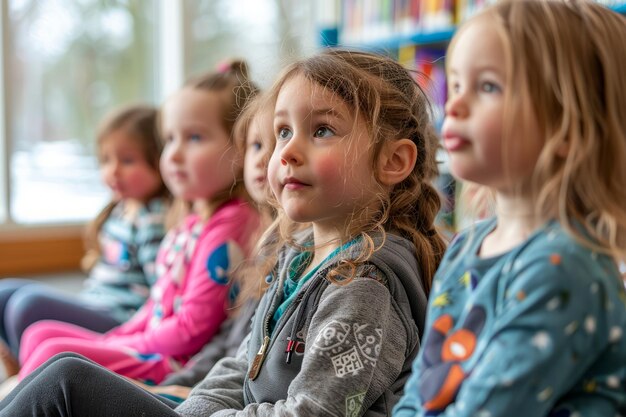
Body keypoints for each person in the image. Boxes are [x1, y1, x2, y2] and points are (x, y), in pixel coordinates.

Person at [0, 48, 446, 416]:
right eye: (283, 132)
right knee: (62, 369)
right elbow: (241, 365)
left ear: (393, 161)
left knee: (67, 381)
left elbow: (313, 412)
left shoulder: (365, 284)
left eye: (322, 130)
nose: (286, 151)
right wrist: (193, 408)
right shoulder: (301, 257)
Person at [394, 1, 626, 416]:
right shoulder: (468, 246)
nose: (454, 105)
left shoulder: (565, 265)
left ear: (566, 127)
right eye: (458, 85)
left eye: (488, 87)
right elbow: (425, 387)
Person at [13, 61, 261, 385]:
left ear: (240, 148)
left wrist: (126, 343)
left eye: (195, 137)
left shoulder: (230, 225)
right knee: (39, 334)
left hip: (174, 364)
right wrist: (115, 338)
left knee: (51, 353)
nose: (172, 154)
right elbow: (155, 306)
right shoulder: (190, 221)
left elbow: (190, 330)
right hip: (151, 347)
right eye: (169, 139)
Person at [0, 104, 169, 377]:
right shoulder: (118, 211)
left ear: (159, 161)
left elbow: (161, 295)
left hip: (122, 320)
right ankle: (19, 370)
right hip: (95, 304)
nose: (113, 171)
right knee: (4, 294)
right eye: (106, 160)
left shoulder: (153, 219)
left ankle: (33, 379)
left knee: (26, 306)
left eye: (127, 161)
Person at [136, 93, 277, 403]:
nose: (266, 158)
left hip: (185, 370)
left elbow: (202, 332)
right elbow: (229, 341)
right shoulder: (267, 243)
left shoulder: (239, 225)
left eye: (277, 141)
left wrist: (188, 389)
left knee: (58, 360)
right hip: (194, 378)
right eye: (256, 145)